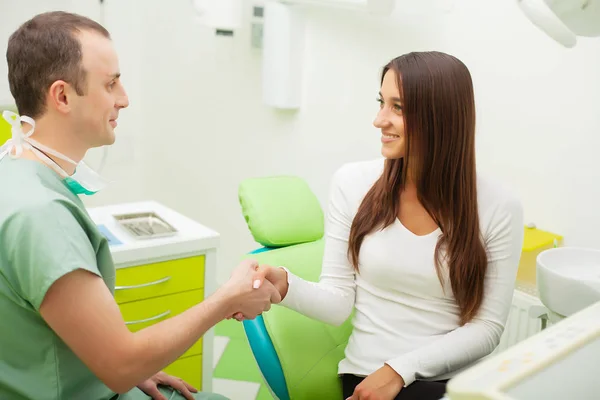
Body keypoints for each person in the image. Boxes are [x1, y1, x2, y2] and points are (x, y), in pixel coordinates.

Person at [0, 11, 280, 400]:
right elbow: (120, 365)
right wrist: (228, 298)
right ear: (62, 96)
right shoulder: (43, 217)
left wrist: (118, 367)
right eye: (111, 83)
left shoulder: (12, 170)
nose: (124, 98)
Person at [255, 51, 524, 400]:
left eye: (398, 108)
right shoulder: (353, 183)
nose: (379, 120)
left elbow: (486, 327)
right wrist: (285, 284)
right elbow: (337, 301)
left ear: (440, 117)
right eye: (382, 102)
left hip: (454, 381)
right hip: (369, 376)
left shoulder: (499, 206)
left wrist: (402, 368)